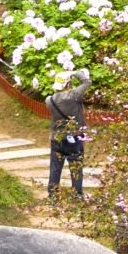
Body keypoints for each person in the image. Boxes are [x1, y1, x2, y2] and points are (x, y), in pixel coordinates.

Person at [44, 71, 90, 199]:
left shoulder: (49, 100)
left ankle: (52, 195)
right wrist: (75, 73)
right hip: (74, 138)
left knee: (55, 168)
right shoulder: (73, 96)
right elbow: (87, 82)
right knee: (76, 167)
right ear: (68, 83)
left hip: (56, 138)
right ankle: (77, 195)